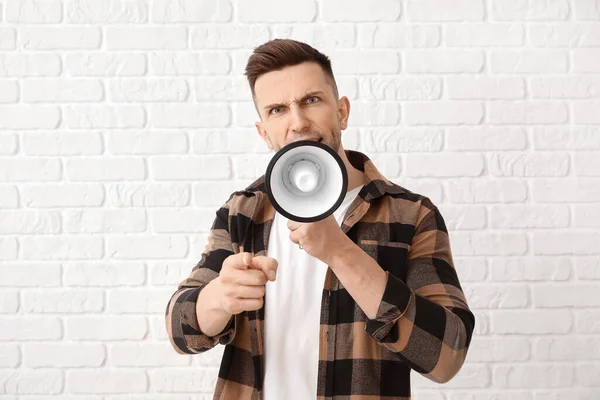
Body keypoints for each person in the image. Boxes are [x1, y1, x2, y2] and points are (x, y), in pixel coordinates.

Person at [165, 38, 475, 400]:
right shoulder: (242, 212)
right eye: (278, 110)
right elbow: (179, 331)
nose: (298, 122)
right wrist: (219, 297)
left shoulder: (411, 214)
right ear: (264, 133)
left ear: (341, 111)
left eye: (311, 100)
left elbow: (446, 356)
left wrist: (340, 252)